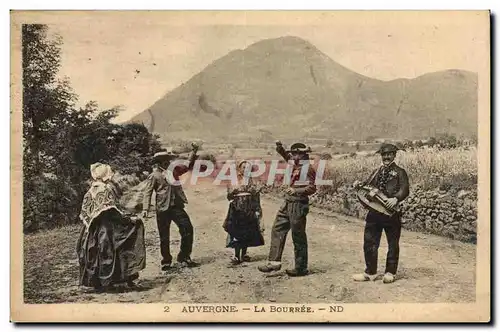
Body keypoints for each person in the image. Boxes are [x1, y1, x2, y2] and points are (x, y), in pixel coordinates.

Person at [76, 163, 146, 291]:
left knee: (96, 250)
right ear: (105, 176)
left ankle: (101, 281)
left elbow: (87, 213)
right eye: (108, 174)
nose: (110, 177)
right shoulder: (105, 189)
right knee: (132, 231)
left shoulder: (90, 191)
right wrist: (129, 219)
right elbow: (111, 212)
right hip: (107, 227)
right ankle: (125, 278)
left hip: (93, 229)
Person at [352, 143, 410, 284]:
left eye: (389, 154)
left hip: (391, 213)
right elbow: (368, 186)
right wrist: (359, 184)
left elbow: (405, 189)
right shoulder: (376, 171)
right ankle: (370, 272)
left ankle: (390, 272)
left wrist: (395, 198)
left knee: (392, 243)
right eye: (384, 154)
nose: (386, 157)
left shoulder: (400, 172)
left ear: (394, 155)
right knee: (369, 242)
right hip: (374, 212)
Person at [258, 141, 316, 277]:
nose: (294, 156)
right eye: (293, 153)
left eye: (297, 153)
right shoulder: (295, 164)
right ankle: (274, 262)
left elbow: (312, 188)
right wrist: (280, 148)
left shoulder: (307, 168)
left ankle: (301, 268)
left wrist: (295, 190)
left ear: (303, 155)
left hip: (298, 204)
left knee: (298, 235)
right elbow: (286, 156)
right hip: (288, 202)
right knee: (278, 228)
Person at [142, 144, 200, 271]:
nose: (168, 161)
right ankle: (166, 261)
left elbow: (187, 165)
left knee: (187, 228)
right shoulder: (154, 175)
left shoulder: (175, 171)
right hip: (162, 208)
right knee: (164, 236)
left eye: (168, 159)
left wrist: (194, 151)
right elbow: (147, 192)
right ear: (159, 162)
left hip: (176, 206)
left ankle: (184, 257)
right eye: (165, 160)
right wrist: (145, 209)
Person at [222, 160, 265, 265]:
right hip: (237, 208)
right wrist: (233, 192)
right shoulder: (233, 181)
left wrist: (257, 210)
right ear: (239, 169)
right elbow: (229, 197)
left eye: (248, 168)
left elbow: (256, 197)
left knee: (247, 230)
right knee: (237, 231)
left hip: (249, 207)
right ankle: (236, 256)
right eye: (244, 167)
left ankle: (244, 254)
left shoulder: (253, 182)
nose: (246, 169)